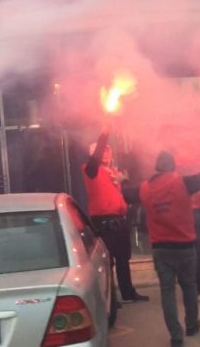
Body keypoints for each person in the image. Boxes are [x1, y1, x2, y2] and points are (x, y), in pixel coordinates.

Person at [123, 144, 200, 347]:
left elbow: (126, 194)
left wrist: (123, 180)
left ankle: (176, 335)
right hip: (185, 247)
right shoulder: (183, 183)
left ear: (157, 168)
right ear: (173, 167)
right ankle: (192, 325)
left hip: (161, 249)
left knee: (167, 292)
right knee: (189, 287)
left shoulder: (145, 188)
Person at [82, 127, 148, 303]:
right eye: (102, 151)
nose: (106, 153)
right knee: (107, 262)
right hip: (104, 223)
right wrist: (104, 132)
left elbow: (128, 195)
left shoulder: (113, 173)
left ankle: (127, 293)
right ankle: (111, 299)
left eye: (108, 150)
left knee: (123, 260)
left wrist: (123, 181)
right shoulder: (91, 171)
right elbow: (94, 160)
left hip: (119, 221)